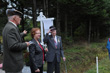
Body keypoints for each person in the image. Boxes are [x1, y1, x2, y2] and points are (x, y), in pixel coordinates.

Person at [2, 9, 30, 73]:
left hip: (12, 64)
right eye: (19, 17)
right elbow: (13, 45)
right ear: (14, 18)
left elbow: (15, 37)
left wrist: (22, 34)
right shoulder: (11, 28)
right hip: (13, 65)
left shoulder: (9, 27)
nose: (20, 19)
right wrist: (26, 44)